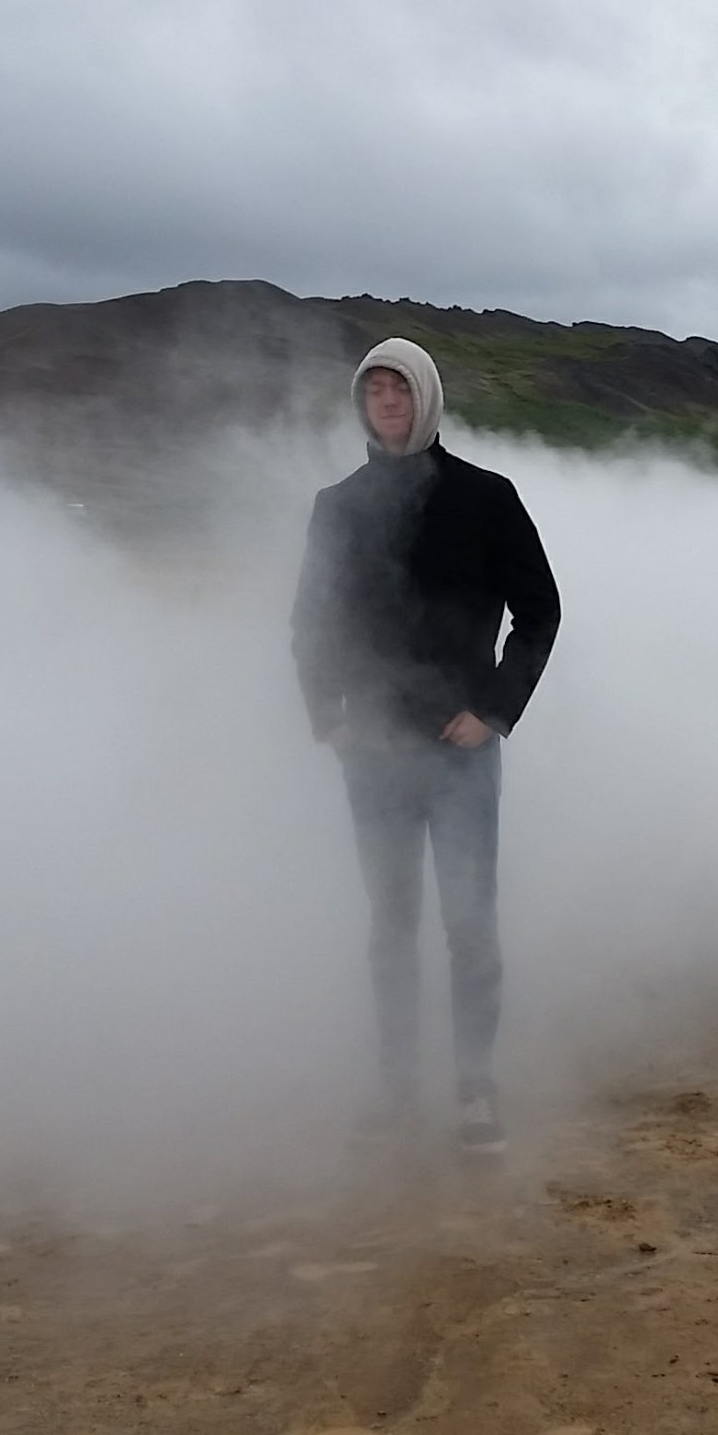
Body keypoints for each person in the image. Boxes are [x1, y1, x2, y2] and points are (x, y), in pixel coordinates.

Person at [292, 338, 561, 1155]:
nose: (387, 402)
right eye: (374, 390)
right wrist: (329, 716)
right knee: (390, 925)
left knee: (469, 924)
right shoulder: (339, 505)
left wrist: (495, 710)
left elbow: (540, 611)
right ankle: (398, 1090)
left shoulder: (485, 498)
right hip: (373, 752)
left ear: (428, 399)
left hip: (460, 753)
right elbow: (313, 620)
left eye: (401, 389)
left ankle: (474, 1086)